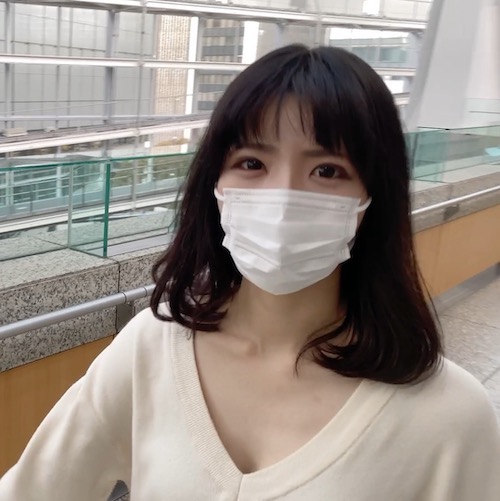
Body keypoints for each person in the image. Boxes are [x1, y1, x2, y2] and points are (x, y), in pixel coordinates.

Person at [1, 44, 499, 501]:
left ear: (372, 199)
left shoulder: (449, 416)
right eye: (252, 163)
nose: (282, 198)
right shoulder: (151, 346)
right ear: (215, 185)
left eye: (327, 170)